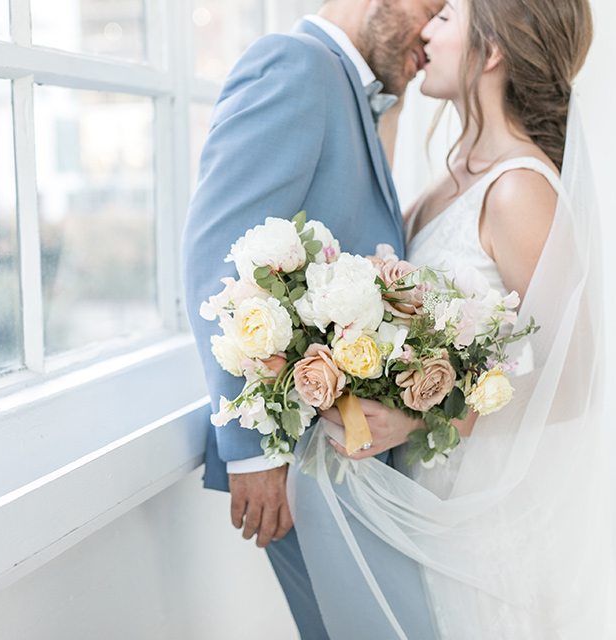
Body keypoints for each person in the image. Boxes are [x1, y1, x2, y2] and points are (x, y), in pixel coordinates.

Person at [293, 0, 616, 637]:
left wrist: (426, 411)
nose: (425, 28)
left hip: (489, 521)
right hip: (432, 499)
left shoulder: (518, 189)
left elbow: (574, 376)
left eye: (445, 17)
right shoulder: (445, 179)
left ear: (494, 49)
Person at [182, 0, 444, 637]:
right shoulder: (295, 65)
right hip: (299, 458)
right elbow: (219, 256)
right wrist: (253, 453)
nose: (434, 32)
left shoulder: (353, 92)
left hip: (345, 459)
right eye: (433, 6)